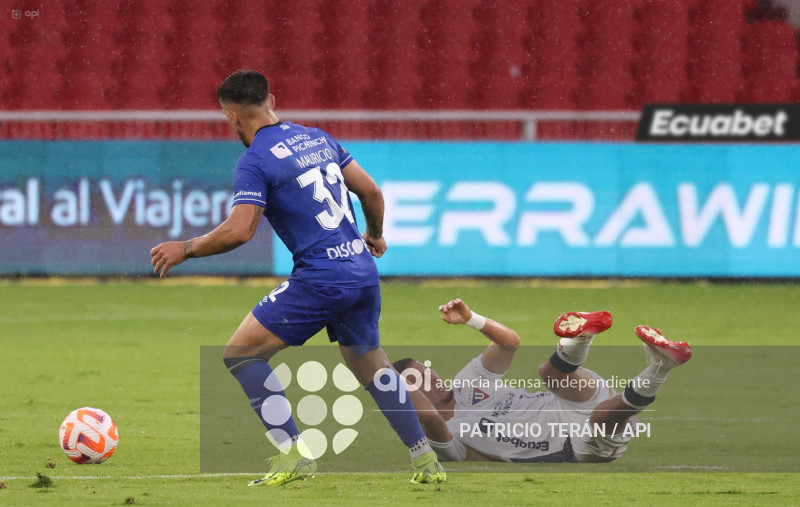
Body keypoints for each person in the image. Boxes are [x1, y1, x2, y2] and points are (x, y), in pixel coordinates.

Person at [150, 70, 444, 485]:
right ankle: (425, 461)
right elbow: (372, 192)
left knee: (241, 355)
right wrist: (374, 234)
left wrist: (185, 248)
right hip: (361, 271)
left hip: (321, 276)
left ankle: (293, 454)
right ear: (272, 98)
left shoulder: (255, 160)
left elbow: (239, 230)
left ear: (232, 117)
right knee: (370, 363)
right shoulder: (318, 138)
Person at [393, 299, 691, 463]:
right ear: (408, 395)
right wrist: (388, 378)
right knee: (603, 417)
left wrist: (473, 319)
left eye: (426, 369)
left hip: (563, 402)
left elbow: (509, 343)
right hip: (571, 445)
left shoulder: (466, 384)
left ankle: (583, 336)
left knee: (550, 373)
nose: (431, 375)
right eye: (419, 379)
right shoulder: (445, 441)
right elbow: (428, 416)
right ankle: (661, 367)